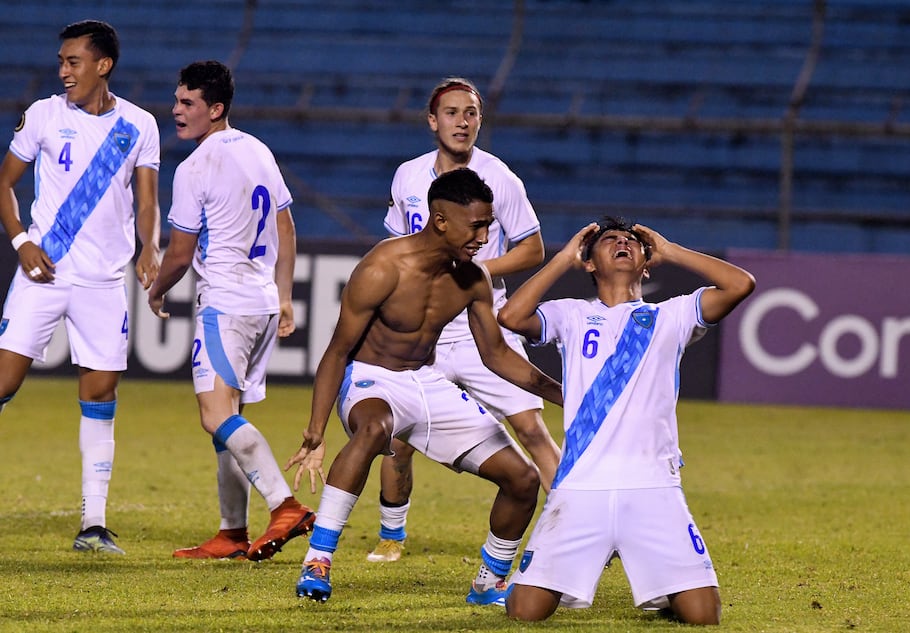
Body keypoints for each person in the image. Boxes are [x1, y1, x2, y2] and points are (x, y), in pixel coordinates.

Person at [287, 168, 563, 605]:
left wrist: (566, 395)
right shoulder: (382, 267)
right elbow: (337, 350)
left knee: (523, 479)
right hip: (371, 379)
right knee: (375, 428)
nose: (485, 235)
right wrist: (316, 432)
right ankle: (318, 560)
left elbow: (497, 356)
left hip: (425, 382)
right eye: (476, 225)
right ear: (440, 220)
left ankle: (489, 581)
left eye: (489, 224)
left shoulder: (474, 279)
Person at [497, 217, 756, 625]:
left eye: (632, 241)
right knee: (525, 613)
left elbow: (741, 284)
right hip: (581, 484)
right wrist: (562, 258)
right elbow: (511, 316)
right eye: (610, 240)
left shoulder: (673, 315)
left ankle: (664, 587)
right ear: (590, 263)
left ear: (646, 263)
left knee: (704, 616)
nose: (622, 243)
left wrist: (671, 250)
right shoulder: (571, 315)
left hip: (653, 486)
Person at [369, 76, 560, 563]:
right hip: (425, 329)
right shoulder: (408, 177)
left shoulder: (501, 178)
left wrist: (476, 271)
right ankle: (391, 538)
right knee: (397, 436)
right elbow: (393, 247)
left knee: (533, 429)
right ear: (433, 121)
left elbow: (533, 248)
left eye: (471, 113)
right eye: (452, 113)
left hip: (482, 326)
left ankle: (574, 531)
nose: (462, 122)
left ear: (480, 121)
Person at [0, 20, 161, 554]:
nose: (63, 70)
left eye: (73, 61)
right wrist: (22, 239)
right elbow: (4, 183)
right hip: (41, 272)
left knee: (100, 395)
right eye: (62, 61)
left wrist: (149, 248)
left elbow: (146, 202)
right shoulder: (43, 115)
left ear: (103, 65)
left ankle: (93, 524)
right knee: (3, 382)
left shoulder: (139, 125)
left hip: (102, 282)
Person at [147, 61, 313, 561]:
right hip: (260, 302)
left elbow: (179, 254)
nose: (176, 111)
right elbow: (286, 226)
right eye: (176, 100)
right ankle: (231, 532)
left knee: (214, 414)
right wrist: (283, 295)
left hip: (226, 302)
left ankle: (285, 506)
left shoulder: (195, 168)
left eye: (188, 103)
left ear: (215, 109)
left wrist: (155, 291)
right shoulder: (257, 149)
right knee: (231, 420)